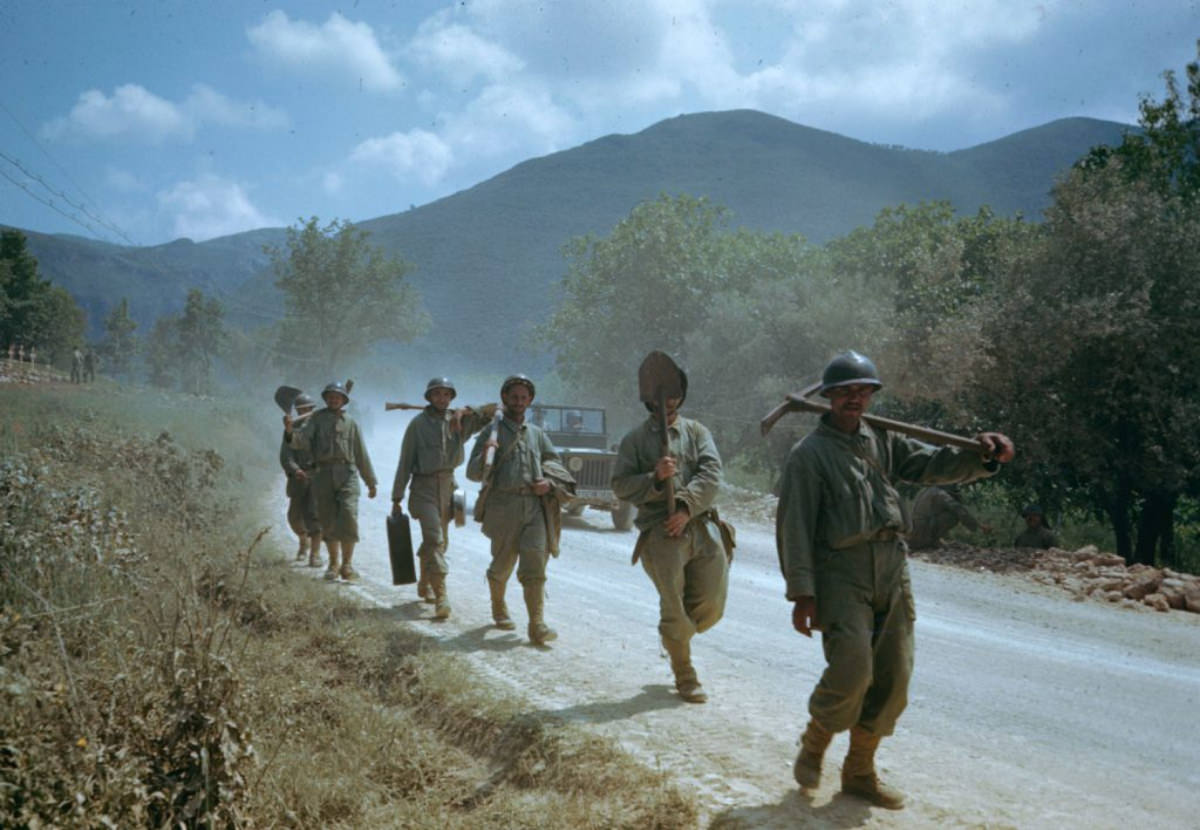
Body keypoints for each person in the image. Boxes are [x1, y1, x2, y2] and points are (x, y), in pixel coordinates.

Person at [776, 350, 1014, 809]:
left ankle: (860, 771)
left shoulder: (881, 439)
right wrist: (802, 594)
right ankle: (816, 740)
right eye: (845, 392)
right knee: (851, 670)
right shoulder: (809, 456)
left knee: (895, 674)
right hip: (840, 572)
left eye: (862, 391)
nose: (854, 399)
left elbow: (934, 466)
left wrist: (983, 457)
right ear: (827, 398)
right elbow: (794, 527)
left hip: (892, 564)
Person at [612, 359, 730, 704]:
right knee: (674, 605)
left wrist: (685, 506)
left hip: (702, 525)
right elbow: (620, 485)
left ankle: (675, 636)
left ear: (681, 395)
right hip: (661, 533)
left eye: (674, 393)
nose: (667, 400)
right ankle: (685, 673)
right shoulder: (634, 440)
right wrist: (654, 479)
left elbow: (711, 474)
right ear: (647, 397)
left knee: (711, 603)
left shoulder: (697, 432)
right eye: (660, 394)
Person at [467, 375, 570, 645]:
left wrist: (549, 484)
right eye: (514, 397)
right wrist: (486, 452)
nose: (519, 402)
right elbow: (473, 473)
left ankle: (537, 624)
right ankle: (498, 606)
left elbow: (556, 466)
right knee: (502, 565)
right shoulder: (492, 431)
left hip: (535, 509)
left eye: (524, 398)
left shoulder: (537, 434)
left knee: (535, 564)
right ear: (504, 398)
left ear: (530, 401)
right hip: (504, 507)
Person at [391, 377, 496, 618]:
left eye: (446, 395)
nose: (442, 398)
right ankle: (442, 597)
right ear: (428, 397)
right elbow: (405, 462)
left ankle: (426, 583)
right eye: (437, 394)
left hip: (450, 487)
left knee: (441, 542)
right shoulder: (417, 425)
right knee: (435, 539)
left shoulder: (459, 422)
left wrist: (468, 411)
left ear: (451, 398)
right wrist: (396, 498)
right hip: (424, 488)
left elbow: (494, 411)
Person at [284, 381, 378, 582]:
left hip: (348, 474)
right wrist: (290, 431)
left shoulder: (351, 423)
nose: (334, 400)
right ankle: (333, 564)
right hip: (323, 475)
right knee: (328, 520)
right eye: (330, 397)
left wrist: (370, 481)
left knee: (349, 517)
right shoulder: (316, 420)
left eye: (338, 397)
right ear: (325, 399)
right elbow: (302, 441)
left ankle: (347, 565)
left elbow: (361, 454)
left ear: (344, 400)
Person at [280, 392, 323, 567]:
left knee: (315, 515)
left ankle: (315, 553)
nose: (305, 411)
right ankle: (303, 541)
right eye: (301, 409)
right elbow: (286, 455)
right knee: (294, 516)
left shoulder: (321, 427)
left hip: (317, 476)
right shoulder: (292, 428)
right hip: (298, 478)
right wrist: (295, 469)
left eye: (308, 408)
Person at [907, 485, 991, 550]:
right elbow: (959, 510)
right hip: (922, 535)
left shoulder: (927, 490)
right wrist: (980, 526)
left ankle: (930, 540)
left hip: (913, 533)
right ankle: (932, 540)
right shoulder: (941, 494)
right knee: (953, 516)